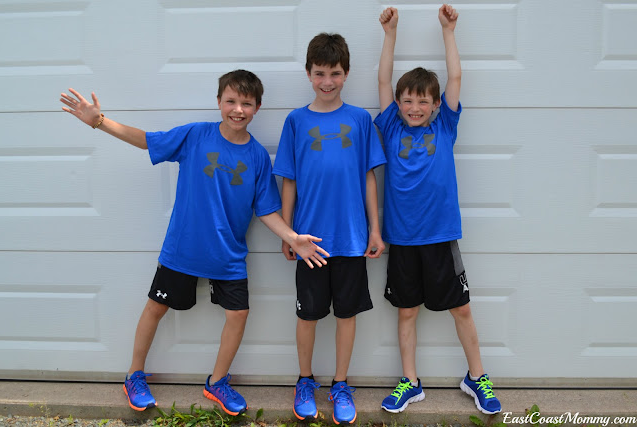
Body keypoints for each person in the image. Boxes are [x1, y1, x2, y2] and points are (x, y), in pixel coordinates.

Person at [59, 70, 330, 416]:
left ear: (257, 108)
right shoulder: (196, 135)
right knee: (155, 308)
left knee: (239, 313)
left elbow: (265, 209)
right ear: (219, 102)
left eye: (246, 103)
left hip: (227, 254)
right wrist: (100, 122)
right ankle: (134, 375)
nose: (238, 109)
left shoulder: (258, 156)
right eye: (231, 101)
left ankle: (217, 382)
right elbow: (147, 140)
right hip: (183, 249)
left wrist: (293, 237)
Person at [375, 5, 502, 415]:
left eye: (423, 101)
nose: (414, 107)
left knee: (460, 308)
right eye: (407, 100)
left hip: (440, 235)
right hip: (403, 238)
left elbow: (456, 78)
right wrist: (390, 35)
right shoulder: (390, 125)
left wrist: (449, 31)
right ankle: (410, 382)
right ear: (398, 103)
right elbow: (383, 79)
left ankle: (476, 376)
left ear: (434, 105)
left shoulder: (444, 125)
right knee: (406, 311)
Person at [272, 33, 387, 424]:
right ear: (308, 73)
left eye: (335, 73)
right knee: (308, 315)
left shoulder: (359, 119)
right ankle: (305, 380)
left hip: (352, 239)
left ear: (346, 73)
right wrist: (288, 232)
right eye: (320, 73)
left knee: (346, 315)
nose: (327, 81)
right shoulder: (296, 121)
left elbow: (369, 177)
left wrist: (375, 230)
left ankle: (340, 384)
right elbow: (288, 179)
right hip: (310, 241)